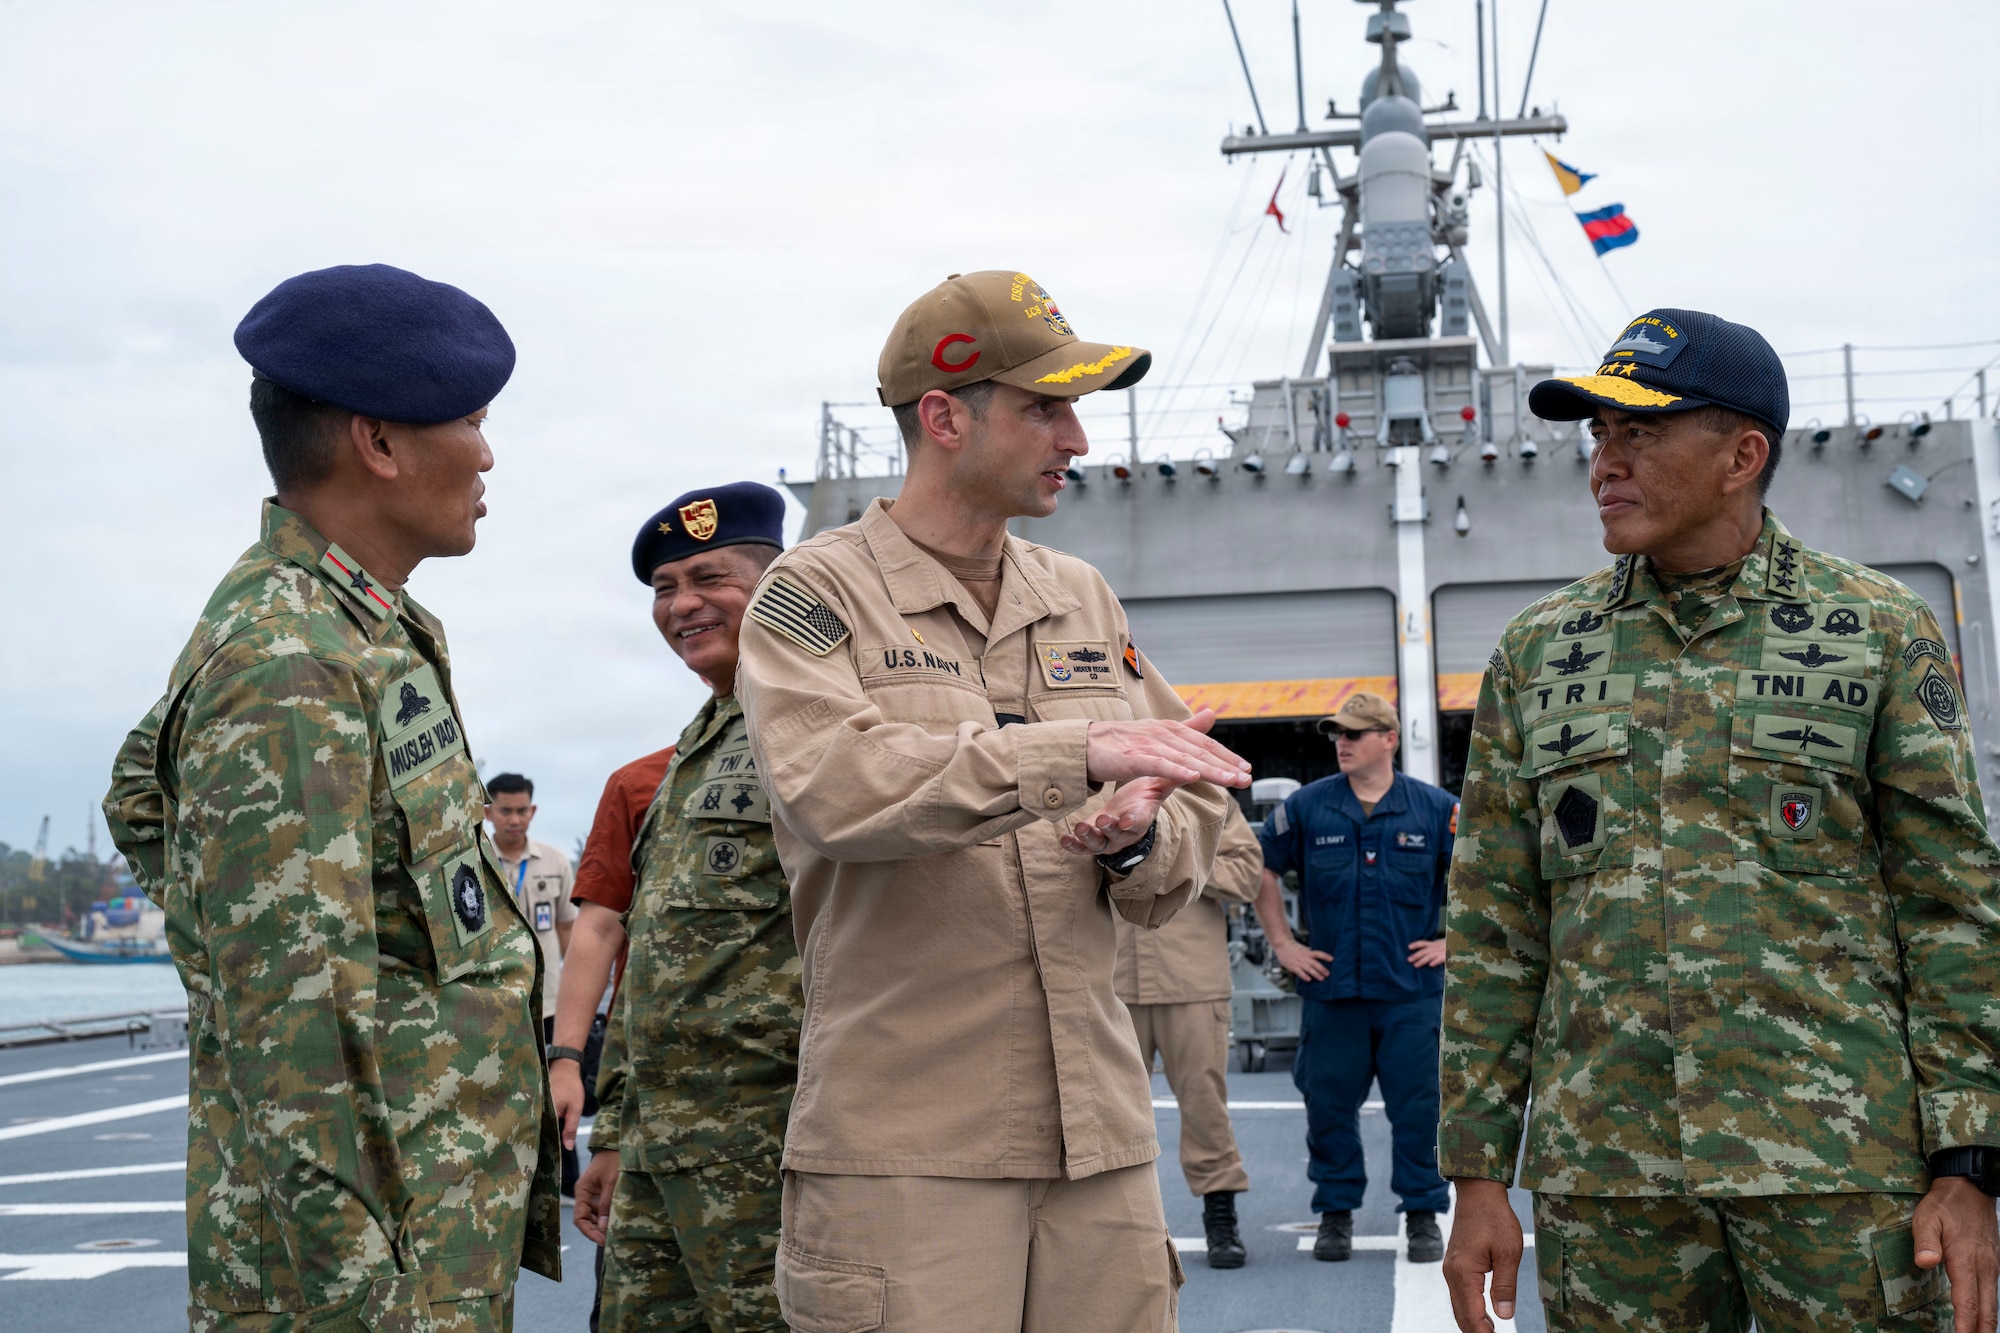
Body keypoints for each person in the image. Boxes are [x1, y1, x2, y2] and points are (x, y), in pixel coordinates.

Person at [1440, 308, 2000, 1333]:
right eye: (1597, 436)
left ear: (1741, 454)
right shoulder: (1536, 653)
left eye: (1638, 433)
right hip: (1610, 1178)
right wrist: (1476, 1174)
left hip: (1836, 1167)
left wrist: (1970, 1164)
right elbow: (1492, 928)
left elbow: (1949, 906)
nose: (1603, 462)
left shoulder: (1874, 629)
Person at [735, 269, 1251, 1333]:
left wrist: (1134, 838)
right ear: (941, 419)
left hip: (1097, 1140)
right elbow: (836, 786)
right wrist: (1075, 752)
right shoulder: (813, 593)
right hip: (906, 1150)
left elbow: (1191, 810)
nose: (1075, 436)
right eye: (1043, 408)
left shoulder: (1079, 597)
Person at [100, 263, 560, 1331]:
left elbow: (142, 792)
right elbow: (295, 1032)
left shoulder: (368, 626)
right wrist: (362, 1299)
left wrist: (216, 920)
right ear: (381, 443)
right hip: (360, 1275)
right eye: (472, 421)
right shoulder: (289, 657)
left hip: (426, 1227)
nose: (487, 454)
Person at [571, 482, 801, 1333]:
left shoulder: (821, 719)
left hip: (770, 1149)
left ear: (777, 586)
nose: (682, 604)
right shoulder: (698, 746)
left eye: (710, 578)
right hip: (664, 1154)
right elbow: (658, 958)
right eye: (665, 588)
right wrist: (617, 1132)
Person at [1252, 690, 1457, 1266]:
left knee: (1418, 1110)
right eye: (1337, 734)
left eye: (1354, 733)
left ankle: (1422, 1215)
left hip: (1410, 995)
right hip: (1334, 993)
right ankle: (1335, 1216)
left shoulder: (1436, 809)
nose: (1341, 743)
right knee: (1329, 1109)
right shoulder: (1311, 808)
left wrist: (1453, 942)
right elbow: (1260, 867)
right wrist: (1284, 945)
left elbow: (1487, 876)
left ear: (1388, 739)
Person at [550, 745, 676, 1333]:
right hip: (648, 1092)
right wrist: (567, 1060)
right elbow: (598, 928)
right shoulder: (641, 784)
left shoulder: (828, 760)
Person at [1116, 801, 1262, 1268]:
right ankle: (1114, 1229)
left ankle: (1220, 1217)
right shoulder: (1089, 784)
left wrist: (1165, 855)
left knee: (1205, 1107)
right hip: (1109, 979)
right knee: (1107, 1114)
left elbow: (1246, 876)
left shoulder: (1204, 795)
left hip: (1192, 980)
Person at [485, 772, 579, 1191]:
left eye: (522, 810)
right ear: (488, 811)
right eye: (505, 810)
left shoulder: (555, 862)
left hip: (550, 1003)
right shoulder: (474, 859)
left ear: (533, 810)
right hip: (494, 1001)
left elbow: (568, 932)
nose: (514, 819)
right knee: (500, 1091)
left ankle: (564, 1178)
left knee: (556, 1090)